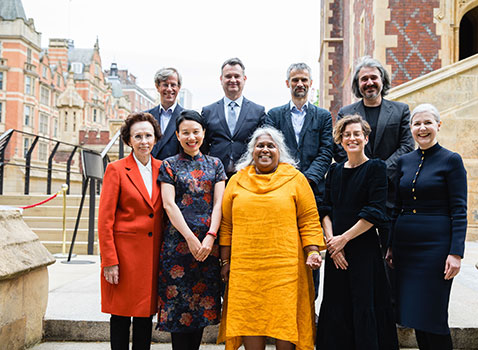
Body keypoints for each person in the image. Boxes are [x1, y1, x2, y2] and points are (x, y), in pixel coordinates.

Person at [218, 126, 325, 350]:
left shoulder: (295, 179)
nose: (264, 150)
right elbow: (226, 224)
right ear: (252, 151)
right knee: (249, 320)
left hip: (285, 269)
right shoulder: (237, 180)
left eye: (270, 145)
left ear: (280, 151)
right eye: (260, 145)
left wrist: (313, 251)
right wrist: (225, 262)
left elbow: (308, 219)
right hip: (246, 269)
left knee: (284, 320)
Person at [385, 104, 467, 350]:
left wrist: (456, 252)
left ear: (438, 126)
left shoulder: (452, 160)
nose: (422, 128)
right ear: (411, 128)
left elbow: (459, 210)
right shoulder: (404, 161)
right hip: (406, 248)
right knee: (415, 315)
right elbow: (396, 207)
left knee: (433, 315)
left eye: (428, 123)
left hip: (436, 248)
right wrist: (390, 246)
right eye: (417, 124)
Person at [316, 115, 399, 350]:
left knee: (364, 305)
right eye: (346, 134)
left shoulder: (376, 167)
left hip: (363, 250)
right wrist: (332, 244)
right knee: (336, 306)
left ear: (366, 137)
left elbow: (374, 212)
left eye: (356, 134)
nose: (351, 138)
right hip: (336, 252)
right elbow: (326, 208)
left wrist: (343, 240)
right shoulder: (334, 171)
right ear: (340, 140)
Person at [156, 110, 227, 350]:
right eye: (185, 132)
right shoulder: (169, 165)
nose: (191, 137)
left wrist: (210, 237)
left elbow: (219, 203)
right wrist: (190, 238)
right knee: (178, 311)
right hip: (178, 246)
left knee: (199, 309)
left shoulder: (215, 164)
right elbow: (168, 204)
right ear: (177, 135)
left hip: (208, 247)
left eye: (196, 132)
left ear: (203, 133)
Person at [266, 62, 332, 298]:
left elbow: (326, 151)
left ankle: (310, 305)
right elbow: (270, 151)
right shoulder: (273, 115)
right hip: (280, 194)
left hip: (313, 192)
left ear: (311, 83)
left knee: (310, 247)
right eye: (295, 80)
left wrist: (305, 181)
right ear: (288, 84)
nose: (300, 84)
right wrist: (288, 182)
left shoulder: (323, 116)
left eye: (304, 80)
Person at [334, 56, 414, 253]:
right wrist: (361, 174)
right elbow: (338, 147)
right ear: (358, 84)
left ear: (382, 80)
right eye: (364, 79)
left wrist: (377, 173)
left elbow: (406, 145)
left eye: (373, 78)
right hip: (356, 196)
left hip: (391, 195)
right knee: (360, 253)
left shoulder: (400, 110)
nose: (369, 82)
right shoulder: (346, 112)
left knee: (392, 256)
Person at [98, 112, 164, 350]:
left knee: (145, 316)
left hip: (151, 255)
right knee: (120, 315)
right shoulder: (116, 169)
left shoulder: (163, 168)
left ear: (155, 138)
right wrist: (109, 260)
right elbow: (105, 219)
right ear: (128, 140)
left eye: (148, 135)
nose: (144, 141)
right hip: (124, 256)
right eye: (138, 136)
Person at [201, 58, 266, 177]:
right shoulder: (208, 111)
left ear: (244, 79)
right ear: (221, 79)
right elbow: (203, 145)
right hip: (215, 176)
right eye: (228, 76)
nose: (232, 80)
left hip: (248, 175)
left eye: (237, 76)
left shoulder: (258, 111)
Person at [147, 67, 184, 160]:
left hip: (175, 172)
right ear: (157, 87)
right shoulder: (146, 117)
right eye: (165, 85)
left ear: (179, 87)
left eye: (173, 85)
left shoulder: (187, 117)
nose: (169, 89)